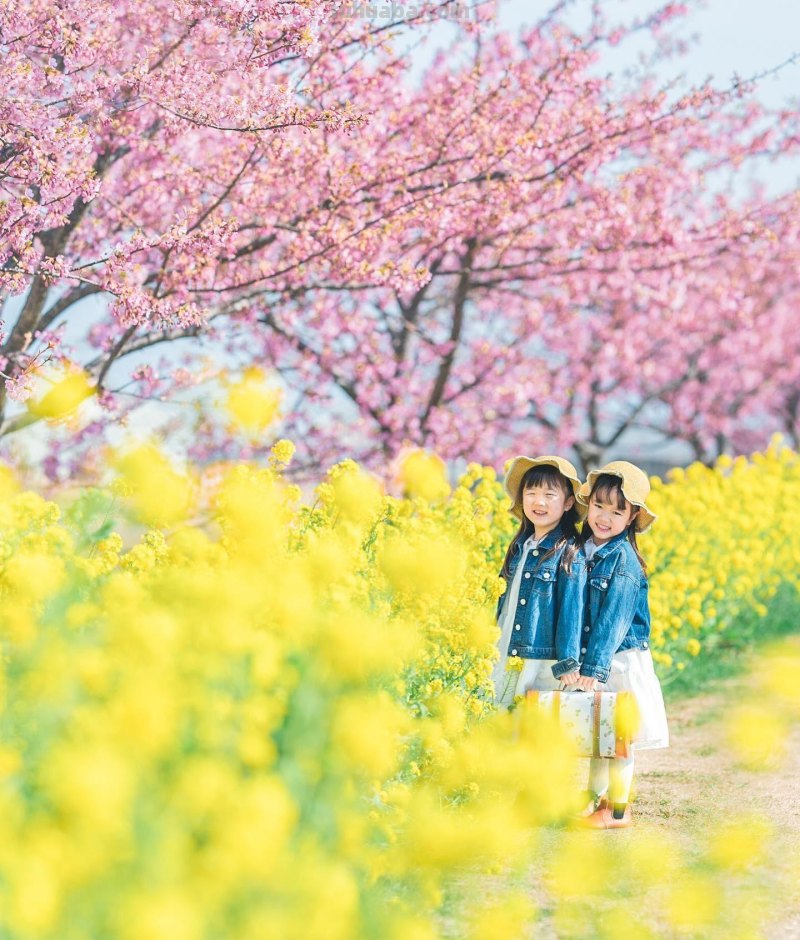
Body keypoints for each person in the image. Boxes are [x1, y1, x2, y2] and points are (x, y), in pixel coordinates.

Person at [565, 460, 669, 829]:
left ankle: (618, 808)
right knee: (599, 735)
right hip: (598, 658)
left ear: (632, 518)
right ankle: (592, 797)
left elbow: (613, 622)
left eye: (617, 511)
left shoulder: (624, 561)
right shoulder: (583, 548)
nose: (604, 517)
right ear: (587, 505)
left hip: (619, 660)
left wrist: (592, 668)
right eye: (598, 506)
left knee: (618, 737)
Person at [492, 455, 585, 709]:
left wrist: (568, 662)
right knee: (500, 708)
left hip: (540, 654)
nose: (538, 501)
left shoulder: (569, 553)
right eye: (530, 492)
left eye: (549, 494)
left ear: (567, 503)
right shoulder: (520, 546)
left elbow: (571, 612)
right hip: (506, 643)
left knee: (531, 716)